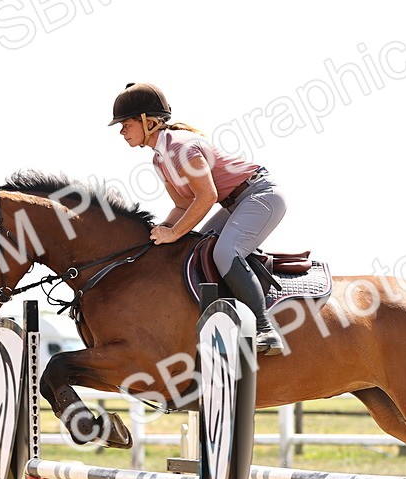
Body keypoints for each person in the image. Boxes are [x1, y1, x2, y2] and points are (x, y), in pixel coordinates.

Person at [109, 82, 287, 355]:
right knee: (194, 250)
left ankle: (266, 329)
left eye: (125, 123)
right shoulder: (159, 160)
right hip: (234, 204)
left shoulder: (182, 148)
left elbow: (205, 197)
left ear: (148, 122)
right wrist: (159, 230)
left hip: (260, 195)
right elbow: (183, 205)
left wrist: (173, 233)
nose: (121, 131)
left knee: (225, 252)